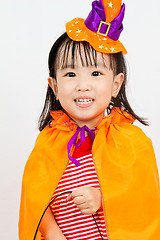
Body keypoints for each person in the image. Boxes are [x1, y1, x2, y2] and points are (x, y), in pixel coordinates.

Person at [18, 0, 160, 240]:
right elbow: (35, 199)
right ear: (54, 85)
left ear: (116, 84)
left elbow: (146, 199)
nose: (83, 86)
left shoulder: (132, 142)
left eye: (96, 73)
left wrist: (103, 199)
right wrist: (53, 234)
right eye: (70, 74)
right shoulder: (48, 144)